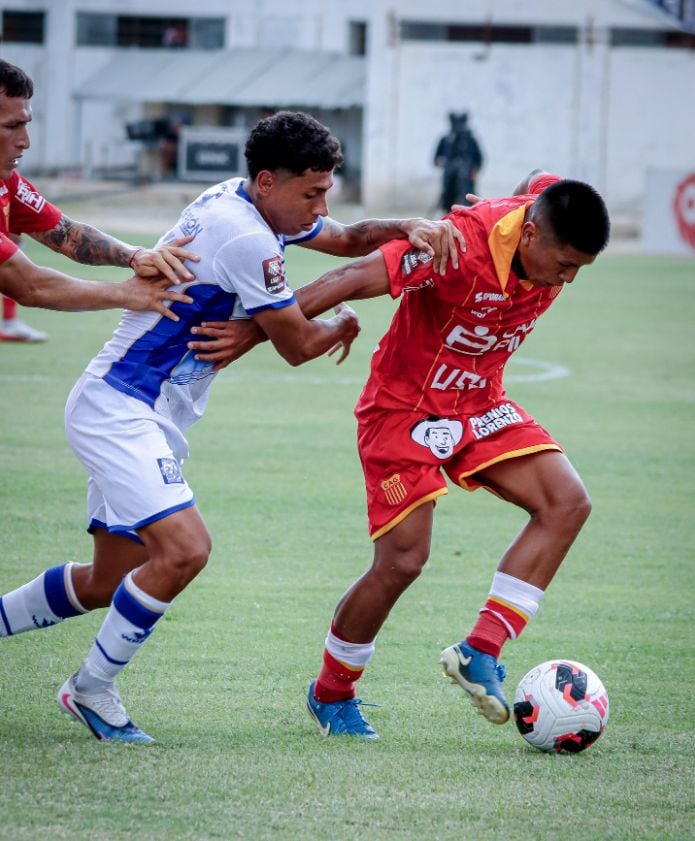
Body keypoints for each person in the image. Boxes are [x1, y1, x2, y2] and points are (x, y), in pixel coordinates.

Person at [0, 110, 463, 744]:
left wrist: (408, 225)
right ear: (268, 182)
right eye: (312, 193)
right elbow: (298, 345)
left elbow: (349, 238)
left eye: (326, 190)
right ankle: (90, 689)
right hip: (121, 408)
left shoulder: (243, 201)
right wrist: (343, 325)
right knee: (185, 550)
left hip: (143, 412)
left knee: (108, 579)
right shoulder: (247, 237)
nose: (322, 207)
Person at [190, 170, 610, 740]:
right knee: (403, 561)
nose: (568, 279)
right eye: (564, 265)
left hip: (478, 402)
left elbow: (541, 182)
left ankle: (481, 650)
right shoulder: (454, 248)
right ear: (532, 235)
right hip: (402, 410)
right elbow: (349, 277)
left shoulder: (541, 214)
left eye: (579, 269)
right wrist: (253, 330)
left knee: (568, 503)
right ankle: (331, 692)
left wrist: (508, 200)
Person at [0, 59, 198, 320]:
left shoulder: (7, 182)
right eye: (11, 126)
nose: (26, 141)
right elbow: (30, 285)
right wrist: (127, 293)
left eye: (26, 124)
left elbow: (67, 235)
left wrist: (135, 255)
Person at [434, 112, 484, 212]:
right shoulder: (446, 140)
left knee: (467, 204)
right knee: (448, 206)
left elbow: (479, 159)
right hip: (449, 180)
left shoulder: (471, 140)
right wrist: (443, 162)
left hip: (466, 180)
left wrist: (474, 170)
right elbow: (436, 159)